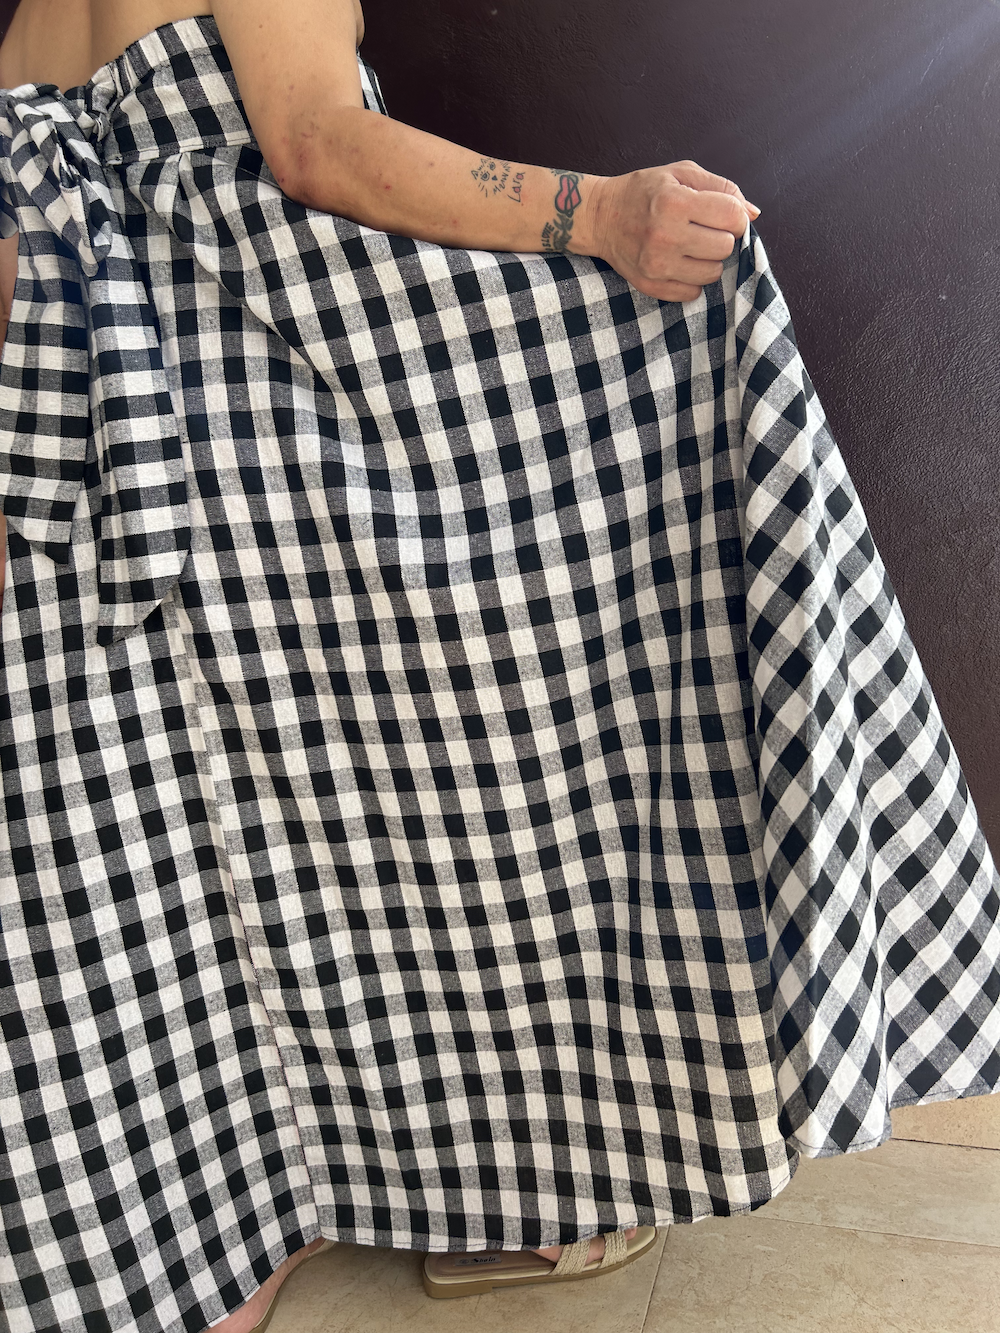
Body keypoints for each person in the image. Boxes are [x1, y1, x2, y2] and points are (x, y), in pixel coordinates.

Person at [0, 3, 997, 1332]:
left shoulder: (27, 27)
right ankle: (529, 1187)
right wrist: (605, 215)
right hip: (278, 397)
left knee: (157, 839)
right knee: (461, 783)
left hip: (85, 435)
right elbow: (312, 144)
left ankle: (211, 1246)